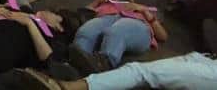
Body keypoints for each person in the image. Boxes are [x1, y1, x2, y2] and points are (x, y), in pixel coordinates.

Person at [67, 0, 168, 74]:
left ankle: (104, 64)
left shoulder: (144, 9)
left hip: (137, 25)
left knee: (116, 31)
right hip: (106, 19)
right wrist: (98, 1)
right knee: (86, 31)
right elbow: (81, 15)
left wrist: (145, 12)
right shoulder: (105, 5)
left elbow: (163, 36)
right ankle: (76, 65)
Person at [20, 52, 217, 90]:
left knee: (142, 72)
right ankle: (90, 65)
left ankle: (70, 87)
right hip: (205, 58)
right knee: (147, 80)